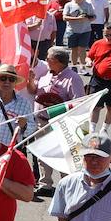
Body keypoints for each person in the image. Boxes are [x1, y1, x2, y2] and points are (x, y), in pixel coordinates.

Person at [33, 46, 84, 193]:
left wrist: (57, 107)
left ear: (56, 61)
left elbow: (79, 103)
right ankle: (45, 184)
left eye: (48, 58)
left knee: (64, 156)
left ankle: (66, 186)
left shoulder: (73, 79)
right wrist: (31, 80)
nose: (46, 60)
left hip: (61, 124)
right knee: (43, 154)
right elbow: (34, 91)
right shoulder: (46, 74)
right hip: (41, 121)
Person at [63, 0, 94, 67]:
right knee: (74, 49)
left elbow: (93, 17)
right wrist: (77, 19)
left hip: (85, 30)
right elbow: (64, 17)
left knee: (82, 48)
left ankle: (82, 66)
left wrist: (88, 17)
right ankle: (74, 66)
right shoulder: (69, 5)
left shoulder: (88, 5)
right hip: (72, 30)